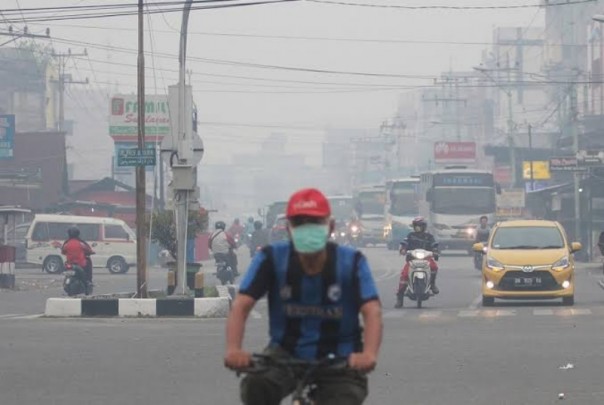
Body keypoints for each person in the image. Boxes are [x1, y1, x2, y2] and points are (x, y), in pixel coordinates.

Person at [224, 188, 383, 405]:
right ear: (289, 228)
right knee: (256, 386)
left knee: (345, 399)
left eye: (315, 222)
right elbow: (242, 305)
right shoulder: (271, 259)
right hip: (284, 354)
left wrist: (368, 354)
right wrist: (234, 349)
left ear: (330, 227)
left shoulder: (352, 262)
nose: (307, 228)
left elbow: (372, 310)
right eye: (300, 222)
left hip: (340, 359)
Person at [395, 216, 439, 308]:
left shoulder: (429, 236)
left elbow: (434, 245)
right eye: (416, 225)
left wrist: (435, 251)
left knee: (434, 267)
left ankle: (432, 284)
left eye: (420, 225)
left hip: (426, 259)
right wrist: (403, 249)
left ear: (424, 226)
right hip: (412, 260)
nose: (418, 227)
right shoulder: (410, 235)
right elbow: (404, 243)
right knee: (404, 275)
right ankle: (400, 297)